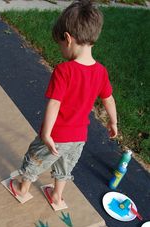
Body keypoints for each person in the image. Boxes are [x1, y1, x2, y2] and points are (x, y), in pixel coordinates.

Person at [8, 0, 117, 209]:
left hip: (57, 134)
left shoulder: (64, 71)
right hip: (79, 138)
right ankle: (57, 197)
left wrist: (47, 133)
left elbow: (54, 104)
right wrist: (113, 123)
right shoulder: (101, 72)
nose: (60, 50)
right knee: (64, 166)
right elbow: (108, 99)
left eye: (59, 44)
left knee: (35, 159)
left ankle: (22, 189)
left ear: (67, 39)